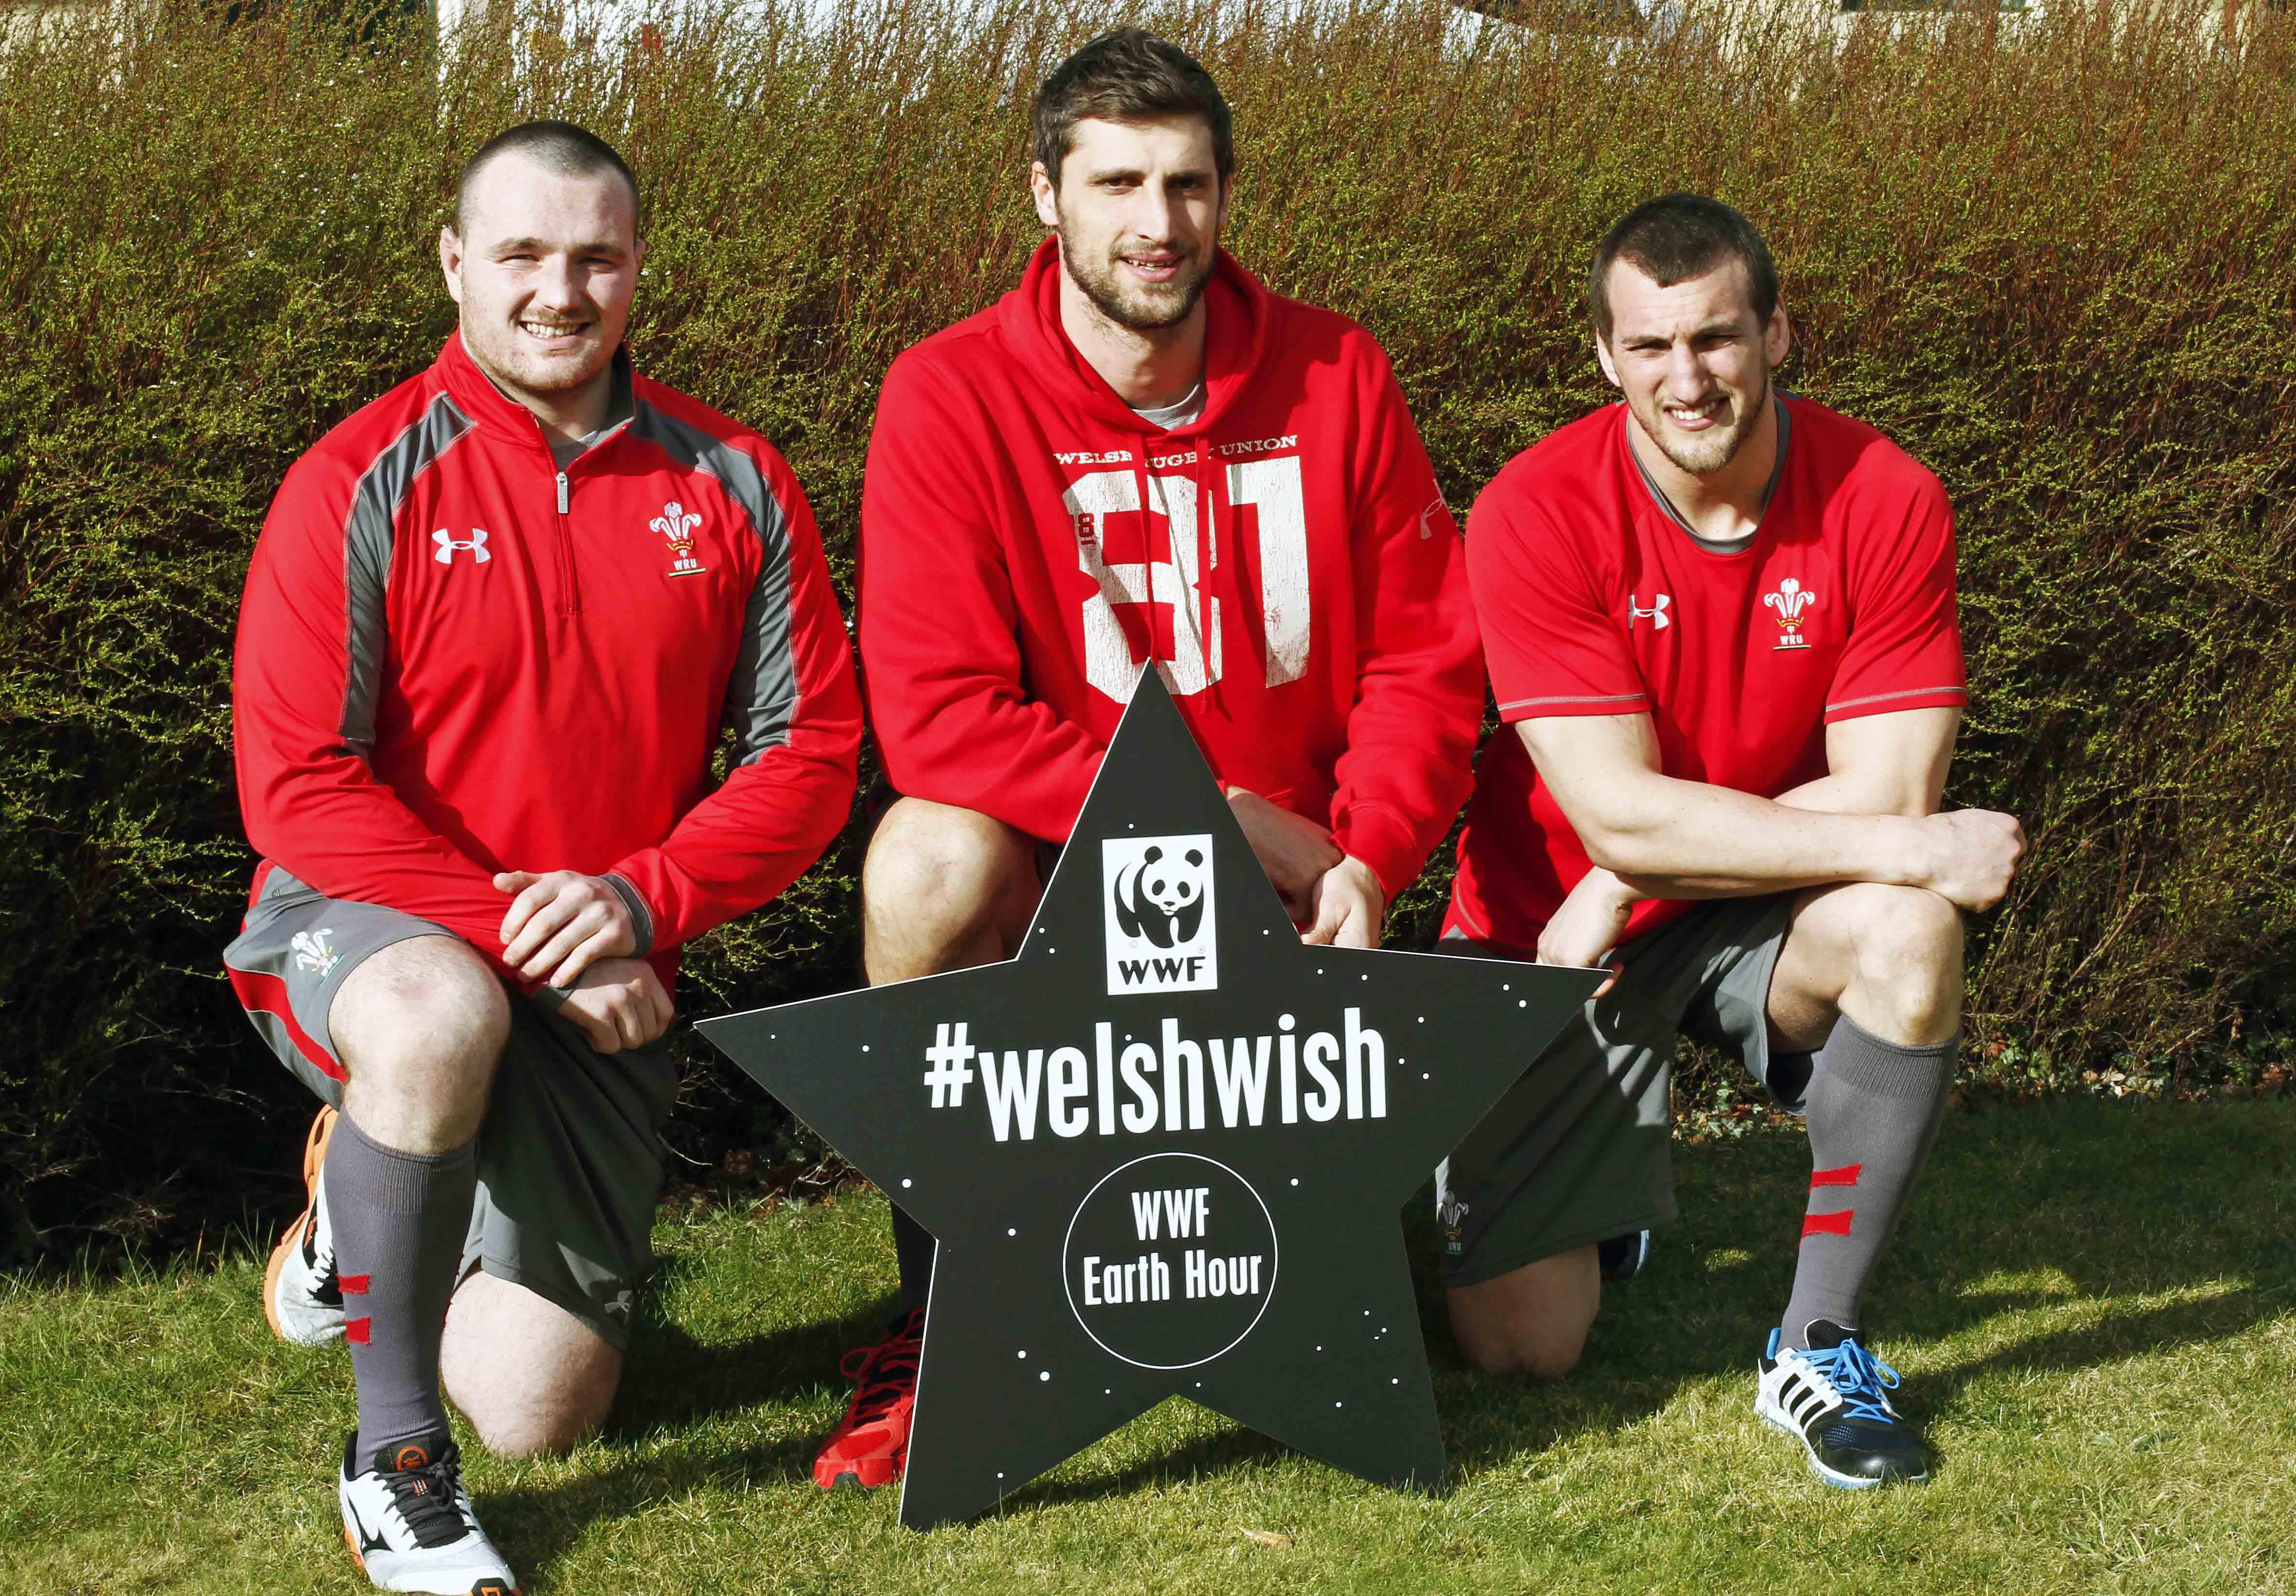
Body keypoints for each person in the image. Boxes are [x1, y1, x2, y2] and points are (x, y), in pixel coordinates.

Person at [818, 27, 1485, 1491]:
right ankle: (940, 1310)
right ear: (1044, 195)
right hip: (1071, 881)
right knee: (923, 855)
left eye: (1186, 183)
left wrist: (1371, 857)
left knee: (1523, 1341)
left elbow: (1425, 661)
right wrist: (1210, 817)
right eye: (1116, 182)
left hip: (1297, 888)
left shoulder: (1336, 371)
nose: (1157, 222)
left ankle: (1332, 1247)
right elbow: (936, 714)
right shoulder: (948, 393)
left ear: (1226, 194)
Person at [226, 121, 861, 1591]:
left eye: (594, 257)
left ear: (637, 266)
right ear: (455, 263)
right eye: (520, 253)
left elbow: (812, 755)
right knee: (434, 1020)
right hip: (373, 921)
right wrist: (528, 941)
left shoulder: (735, 480)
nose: (559, 292)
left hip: (602, 947)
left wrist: (640, 899)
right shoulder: (357, 478)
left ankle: (360, 1205)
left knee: (538, 1410)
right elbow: (299, 786)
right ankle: (396, 1466)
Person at [1439, 194, 2024, 1489]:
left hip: (1740, 912)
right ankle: (1603, 1209)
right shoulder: (1536, 507)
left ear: (1776, 335)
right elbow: (1620, 809)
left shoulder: (1884, 496)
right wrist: (1616, 860)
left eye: (1714, 337)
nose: (1687, 378)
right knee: (1522, 1352)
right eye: (1650, 346)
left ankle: (1818, 1343)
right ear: (1605, 356)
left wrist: (1624, 869)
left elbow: (1889, 789)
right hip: (1550, 937)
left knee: (1907, 923)